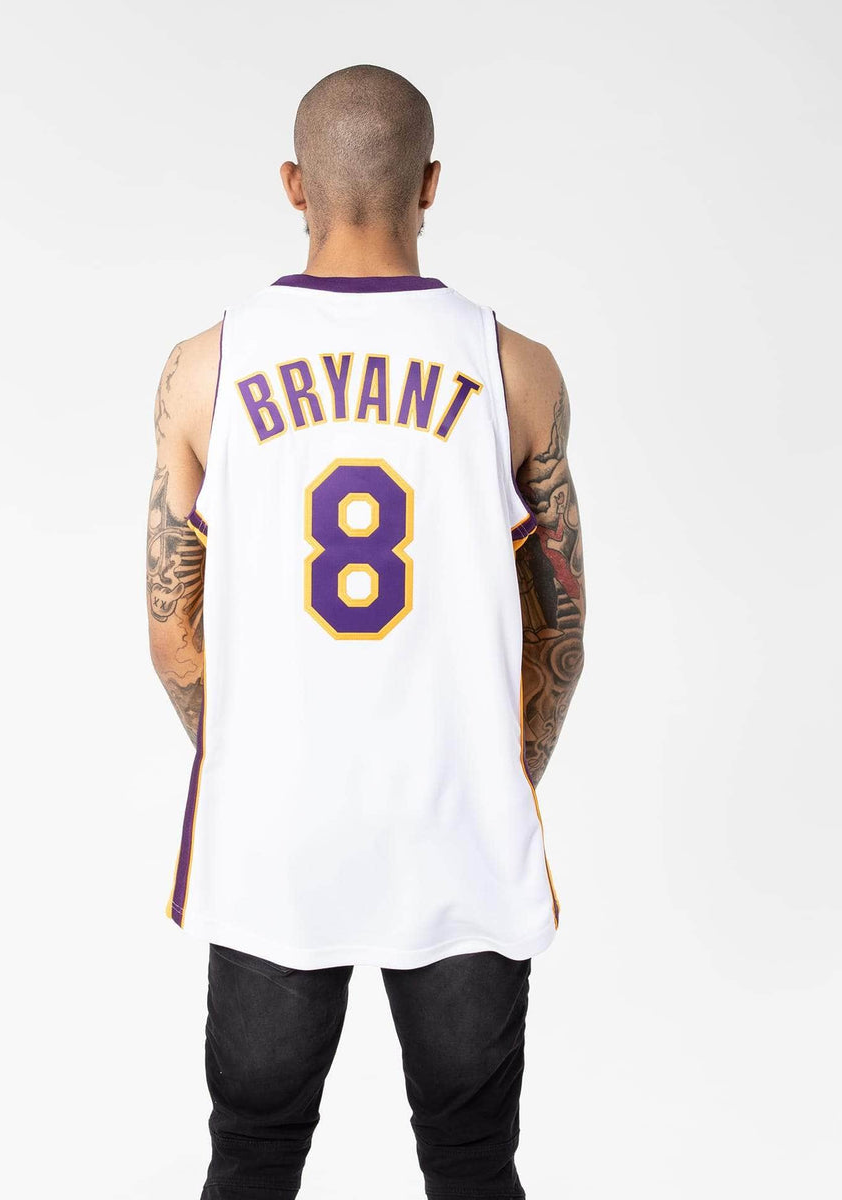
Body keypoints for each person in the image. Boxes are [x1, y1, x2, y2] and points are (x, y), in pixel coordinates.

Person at [147, 63, 585, 1200]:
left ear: (293, 183)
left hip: (272, 836)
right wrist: (503, 771)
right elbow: (562, 625)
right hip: (459, 827)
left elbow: (171, 632)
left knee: (253, 1156)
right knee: (472, 1160)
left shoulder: (203, 368)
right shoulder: (515, 368)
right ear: (429, 183)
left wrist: (241, 760)